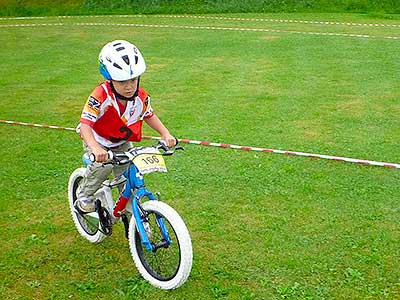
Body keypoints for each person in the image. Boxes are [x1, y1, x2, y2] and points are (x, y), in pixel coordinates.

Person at [74, 40, 176, 214]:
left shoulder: (140, 97)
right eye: (122, 82)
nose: (129, 86)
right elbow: (85, 125)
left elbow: (149, 115)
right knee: (103, 166)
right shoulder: (100, 96)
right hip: (98, 140)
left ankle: (132, 218)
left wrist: (166, 134)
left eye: (133, 80)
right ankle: (84, 195)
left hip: (121, 141)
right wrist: (95, 147)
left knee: (129, 175)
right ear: (110, 79)